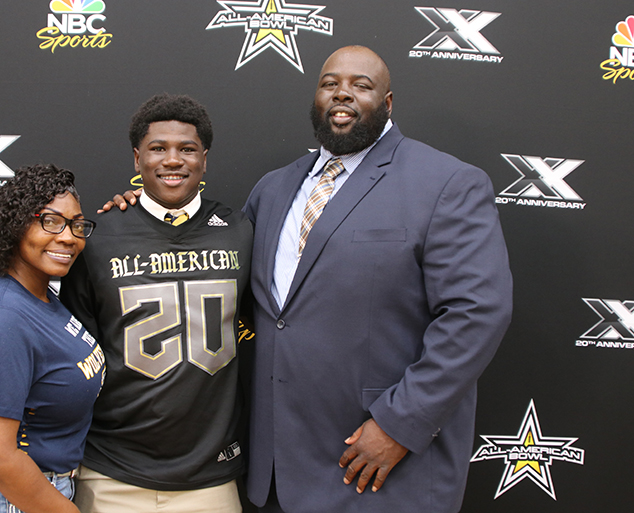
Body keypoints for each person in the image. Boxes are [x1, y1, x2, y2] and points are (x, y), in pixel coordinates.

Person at [107, 46, 511, 513]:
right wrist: (143, 215)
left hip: (378, 462)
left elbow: (477, 313)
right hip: (279, 469)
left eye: (361, 85)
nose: (343, 93)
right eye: (329, 83)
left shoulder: (446, 182)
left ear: (388, 102)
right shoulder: (274, 188)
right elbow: (219, 274)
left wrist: (400, 424)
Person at [59, 94, 254, 513]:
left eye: (186, 149)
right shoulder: (97, 237)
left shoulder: (241, 231)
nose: (172, 160)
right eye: (157, 149)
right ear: (136, 159)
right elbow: (66, 354)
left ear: (205, 159)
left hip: (209, 478)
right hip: (111, 471)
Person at [0, 164, 105, 513]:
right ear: (15, 226)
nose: (68, 237)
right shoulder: (6, 316)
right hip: (9, 497)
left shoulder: (41, 298)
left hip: (33, 488)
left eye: (77, 225)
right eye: (50, 221)